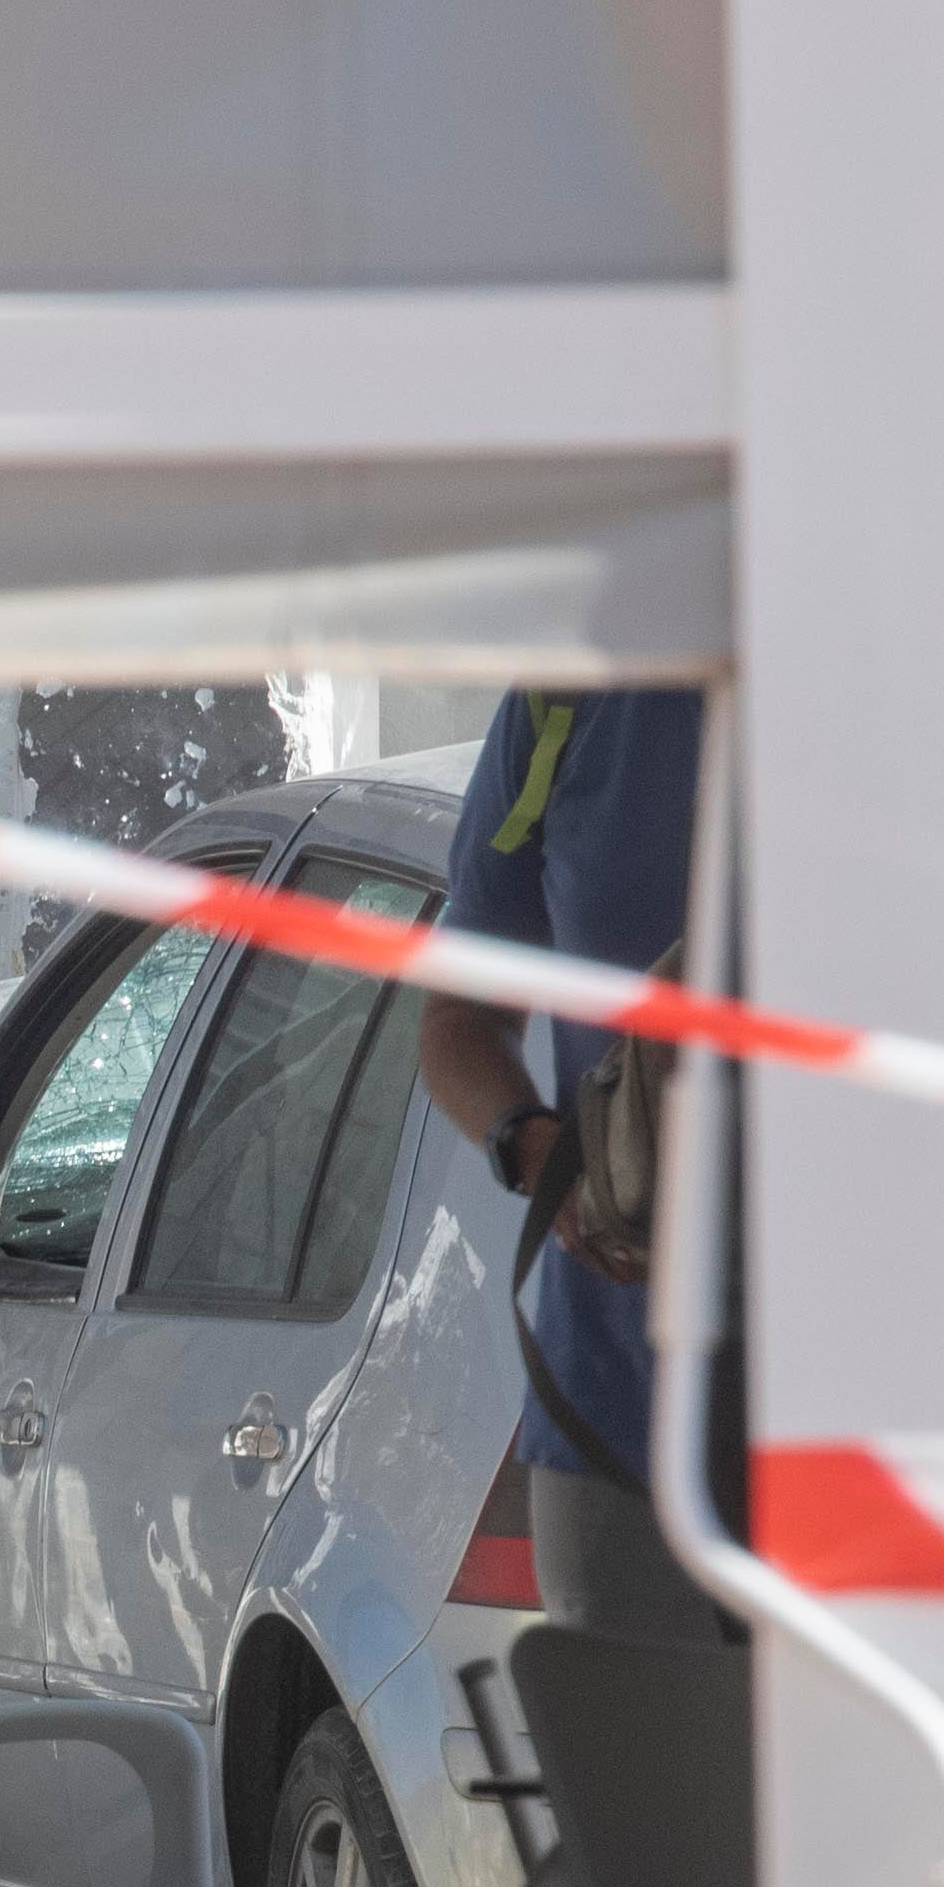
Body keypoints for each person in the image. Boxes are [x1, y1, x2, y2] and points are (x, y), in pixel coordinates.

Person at [393, 681, 729, 1628]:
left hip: (877, 1430)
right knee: (636, 1768)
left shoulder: (928, 670)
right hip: (620, 1422)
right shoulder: (567, 702)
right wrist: (539, 1156)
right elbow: (457, 1022)